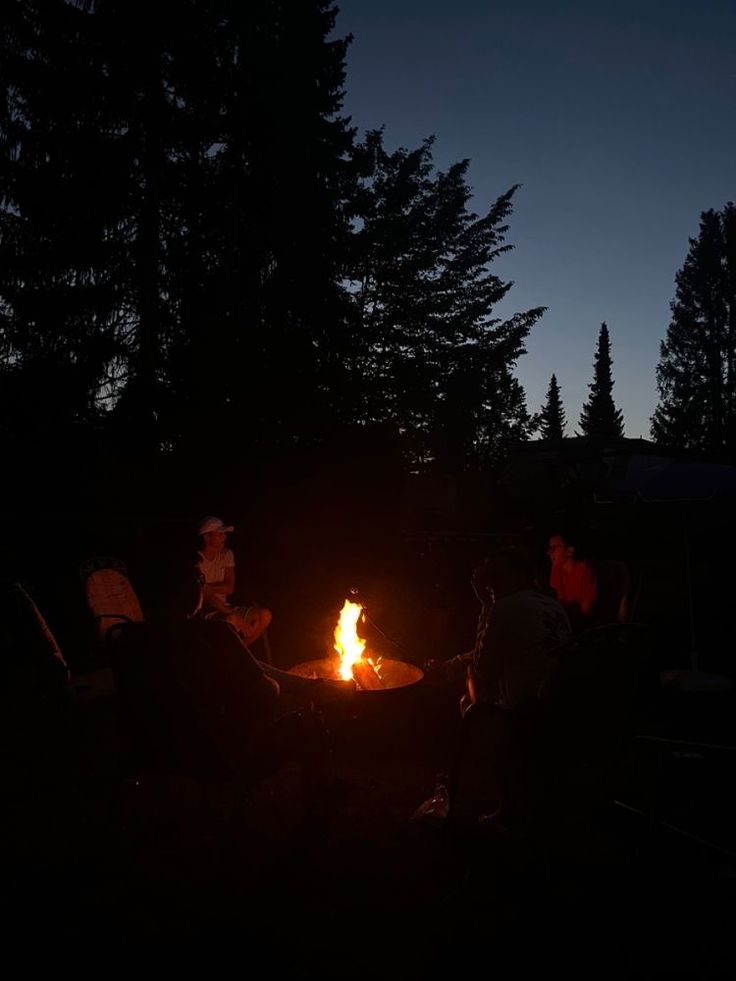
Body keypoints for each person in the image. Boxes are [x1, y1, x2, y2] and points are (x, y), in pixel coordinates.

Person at [111, 560, 351, 826]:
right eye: (199, 582)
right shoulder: (212, 635)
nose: (201, 589)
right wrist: (276, 687)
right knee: (309, 725)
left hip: (154, 749)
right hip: (219, 756)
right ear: (186, 591)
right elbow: (265, 693)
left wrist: (303, 684)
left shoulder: (131, 639)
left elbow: (248, 664)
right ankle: (322, 815)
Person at [419, 546, 572, 829]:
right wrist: (449, 666)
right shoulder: (550, 605)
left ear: (513, 577)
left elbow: (481, 670)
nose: (489, 586)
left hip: (525, 713)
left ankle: (498, 798)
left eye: (494, 580)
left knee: (469, 697)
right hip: (560, 705)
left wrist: (486, 607)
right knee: (467, 681)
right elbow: (498, 651)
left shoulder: (505, 608)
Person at [196, 515, 272, 645]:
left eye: (224, 533)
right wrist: (235, 616)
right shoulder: (196, 560)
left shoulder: (226, 554)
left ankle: (242, 649)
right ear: (207, 537)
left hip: (224, 607)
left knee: (265, 615)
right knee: (231, 620)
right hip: (204, 611)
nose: (224, 537)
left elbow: (229, 587)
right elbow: (206, 597)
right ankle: (230, 654)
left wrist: (206, 587)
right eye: (219, 534)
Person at [547, 529, 598, 633]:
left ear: (569, 551)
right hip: (569, 623)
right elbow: (559, 600)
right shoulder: (556, 567)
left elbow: (586, 612)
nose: (548, 552)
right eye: (549, 548)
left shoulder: (585, 571)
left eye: (554, 548)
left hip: (585, 628)